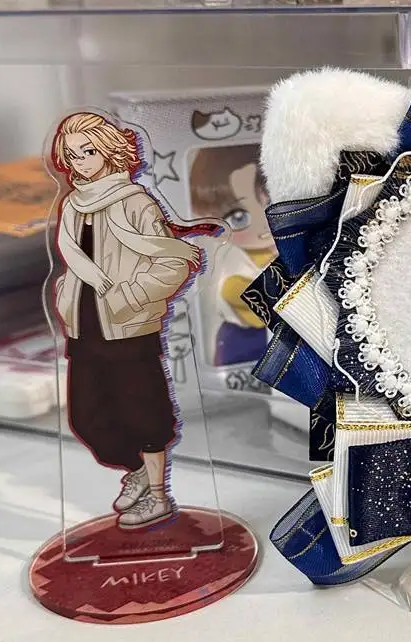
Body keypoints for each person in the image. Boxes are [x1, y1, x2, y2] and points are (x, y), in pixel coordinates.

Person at [51, 112, 205, 529]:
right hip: (84, 326)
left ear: (109, 151)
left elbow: (172, 264)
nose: (80, 162)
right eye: (72, 155)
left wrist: (128, 297)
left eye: (89, 151)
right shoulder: (73, 204)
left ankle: (158, 495)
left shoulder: (135, 202)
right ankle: (136, 471)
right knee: (87, 417)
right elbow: (74, 262)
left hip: (128, 327)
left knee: (145, 412)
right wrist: (66, 297)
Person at [189, 145, 275, 367]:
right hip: (246, 342)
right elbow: (237, 294)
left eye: (272, 204)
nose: (263, 226)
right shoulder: (235, 269)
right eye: (239, 217)